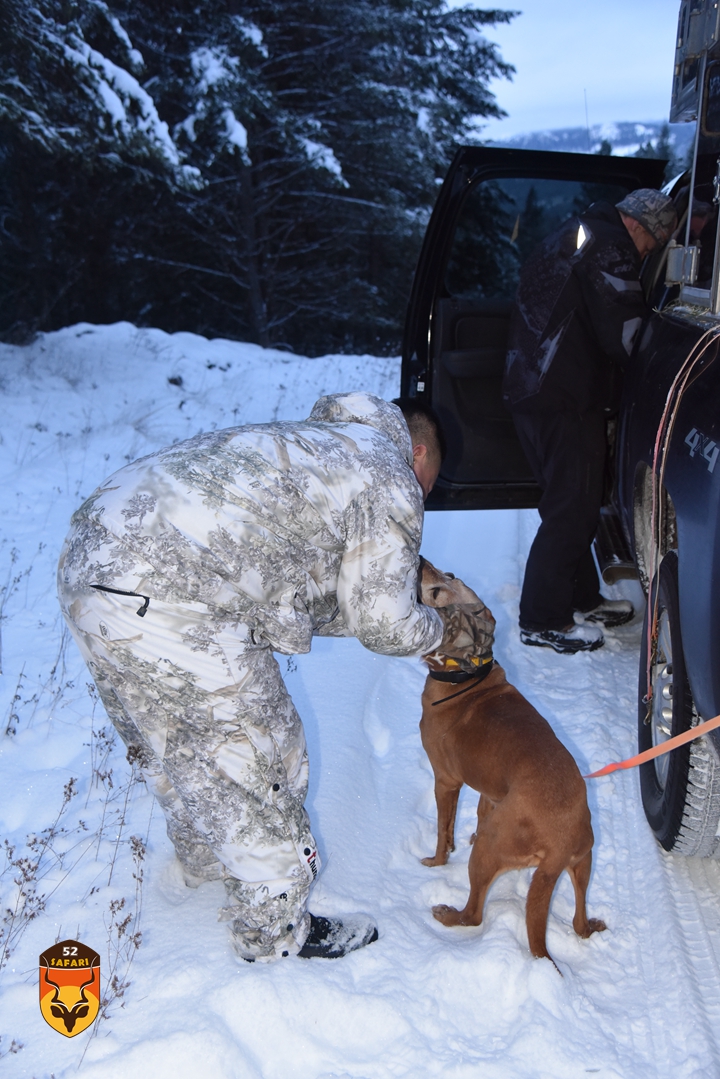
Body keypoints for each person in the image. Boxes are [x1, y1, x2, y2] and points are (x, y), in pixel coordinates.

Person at [58, 391, 456, 962]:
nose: (423, 497)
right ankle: (274, 933)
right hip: (171, 593)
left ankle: (206, 855)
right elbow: (383, 624)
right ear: (419, 455)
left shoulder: (315, 447)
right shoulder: (387, 471)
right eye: (431, 483)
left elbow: (296, 586)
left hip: (89, 560)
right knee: (264, 753)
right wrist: (441, 632)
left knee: (169, 731)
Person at [502, 188, 677, 654]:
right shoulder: (608, 245)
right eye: (651, 246)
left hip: (532, 384)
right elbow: (626, 331)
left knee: (567, 501)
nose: (645, 256)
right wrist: (667, 367)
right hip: (561, 395)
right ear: (640, 225)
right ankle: (541, 619)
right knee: (572, 509)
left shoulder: (577, 231)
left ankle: (578, 596)